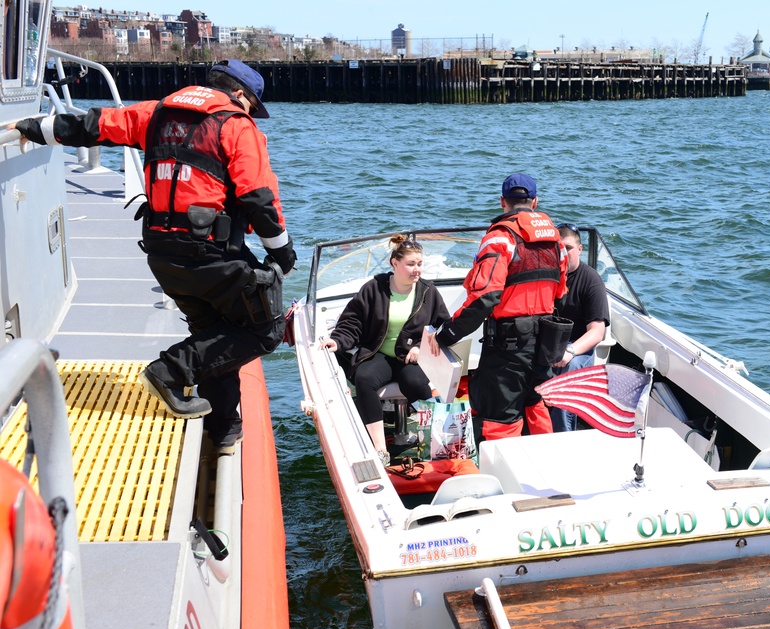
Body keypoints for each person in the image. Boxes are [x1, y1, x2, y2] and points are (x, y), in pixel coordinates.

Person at [11, 59, 296, 454]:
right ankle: (170, 371)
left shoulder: (156, 113)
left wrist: (33, 128)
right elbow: (258, 197)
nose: (251, 115)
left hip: (162, 254)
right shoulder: (235, 126)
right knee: (265, 329)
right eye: (252, 107)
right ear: (241, 96)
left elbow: (94, 126)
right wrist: (282, 254)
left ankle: (223, 430)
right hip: (209, 256)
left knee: (213, 331)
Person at [428, 173, 567, 441]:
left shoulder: (500, 237)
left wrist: (447, 335)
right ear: (535, 202)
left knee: (499, 417)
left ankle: (505, 479)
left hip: (509, 347)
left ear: (502, 202)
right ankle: (545, 470)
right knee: (536, 405)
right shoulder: (556, 240)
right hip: (546, 343)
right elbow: (560, 291)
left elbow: (485, 297)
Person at [321, 235, 451, 466]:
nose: (416, 270)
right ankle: (380, 449)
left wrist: (422, 345)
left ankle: (434, 440)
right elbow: (353, 322)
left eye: (420, 264)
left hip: (410, 359)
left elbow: (442, 327)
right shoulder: (374, 288)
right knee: (365, 377)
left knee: (415, 382)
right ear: (395, 263)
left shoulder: (428, 291)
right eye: (411, 264)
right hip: (377, 354)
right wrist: (338, 342)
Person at [549, 223, 610, 432]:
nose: (562, 253)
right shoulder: (546, 276)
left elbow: (597, 332)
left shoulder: (591, 280)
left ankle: (564, 439)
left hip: (577, 348)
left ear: (580, 249)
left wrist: (570, 351)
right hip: (546, 343)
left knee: (569, 373)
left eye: (567, 248)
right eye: (558, 248)